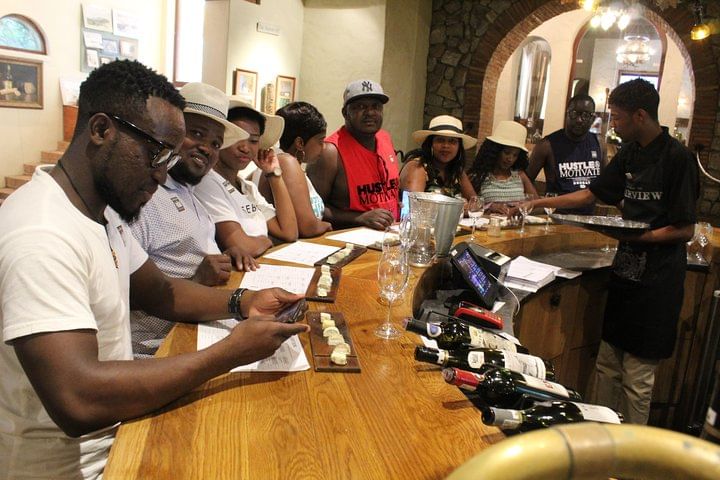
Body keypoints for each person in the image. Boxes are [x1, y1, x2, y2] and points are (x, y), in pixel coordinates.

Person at [0, 60, 308, 479]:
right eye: (156, 153)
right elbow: (78, 400)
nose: (163, 174)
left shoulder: (100, 213)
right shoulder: (42, 233)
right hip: (76, 466)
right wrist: (229, 353)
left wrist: (244, 301)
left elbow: (162, 292)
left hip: (121, 431)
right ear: (101, 129)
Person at [526, 79, 699, 424]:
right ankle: (600, 436)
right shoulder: (630, 153)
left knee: (637, 379)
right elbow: (591, 194)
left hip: (658, 283)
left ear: (640, 116)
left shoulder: (677, 158)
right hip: (624, 275)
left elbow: (685, 229)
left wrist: (640, 237)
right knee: (607, 365)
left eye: (617, 117)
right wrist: (536, 203)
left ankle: (631, 452)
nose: (613, 125)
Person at [129, 82, 258, 357]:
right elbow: (123, 292)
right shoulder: (143, 196)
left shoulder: (189, 192)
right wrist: (198, 279)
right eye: (197, 134)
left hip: (203, 326)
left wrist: (226, 255)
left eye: (215, 144)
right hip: (160, 349)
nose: (207, 149)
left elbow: (196, 254)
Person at [195, 99, 298, 257]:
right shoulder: (207, 181)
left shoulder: (247, 187)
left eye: (254, 141)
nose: (245, 148)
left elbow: (289, 232)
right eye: (237, 138)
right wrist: (267, 240)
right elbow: (242, 246)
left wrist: (273, 174)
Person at [307, 79, 400, 230]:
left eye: (376, 106)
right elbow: (311, 208)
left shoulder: (385, 138)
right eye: (361, 107)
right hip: (348, 239)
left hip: (390, 235)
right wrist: (359, 218)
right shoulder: (330, 152)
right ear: (345, 113)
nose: (370, 113)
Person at [251, 101, 332, 238]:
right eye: (320, 141)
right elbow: (307, 227)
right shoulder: (287, 162)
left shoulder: (281, 161)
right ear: (300, 143)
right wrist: (327, 225)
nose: (323, 147)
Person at [526, 94, 605, 214]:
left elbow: (605, 181)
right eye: (574, 114)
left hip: (587, 218)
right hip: (556, 217)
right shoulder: (546, 145)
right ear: (567, 114)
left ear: (593, 118)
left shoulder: (599, 143)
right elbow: (526, 179)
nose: (579, 120)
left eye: (585, 115)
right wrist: (538, 204)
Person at [400, 114, 477, 200]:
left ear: (459, 147)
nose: (446, 146)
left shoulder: (457, 172)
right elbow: (413, 204)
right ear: (430, 144)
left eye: (452, 141)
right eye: (440, 140)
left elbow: (475, 203)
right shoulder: (417, 167)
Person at [467, 120, 538, 214]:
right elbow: (466, 205)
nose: (510, 159)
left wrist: (522, 207)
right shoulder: (479, 176)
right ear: (495, 151)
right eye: (507, 153)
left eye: (515, 155)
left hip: (515, 221)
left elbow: (538, 205)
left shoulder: (520, 175)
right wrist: (489, 207)